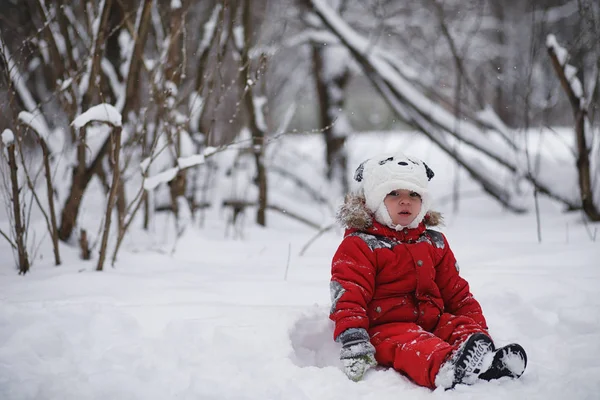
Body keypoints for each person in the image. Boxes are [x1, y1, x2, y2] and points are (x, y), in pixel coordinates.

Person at [329, 152, 527, 389]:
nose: (406, 201)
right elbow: (349, 294)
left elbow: (456, 292)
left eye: (414, 194)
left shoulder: (433, 242)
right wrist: (354, 338)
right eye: (394, 194)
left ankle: (486, 361)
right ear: (374, 200)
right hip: (387, 327)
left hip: (432, 319)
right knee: (416, 346)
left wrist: (478, 330)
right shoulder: (360, 245)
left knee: (458, 327)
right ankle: (446, 369)